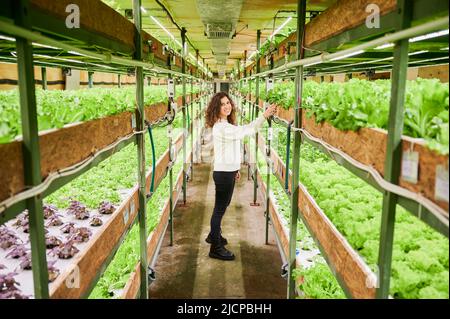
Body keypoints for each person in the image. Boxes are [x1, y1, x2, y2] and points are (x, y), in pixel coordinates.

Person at [204, 91, 277, 260]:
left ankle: (214, 236)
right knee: (219, 209)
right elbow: (247, 131)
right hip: (223, 173)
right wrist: (264, 116)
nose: (226, 106)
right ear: (217, 108)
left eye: (228, 102)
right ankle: (215, 247)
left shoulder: (225, 125)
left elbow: (231, 148)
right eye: (222, 104)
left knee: (222, 206)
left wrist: (235, 169)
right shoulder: (222, 127)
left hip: (226, 171)